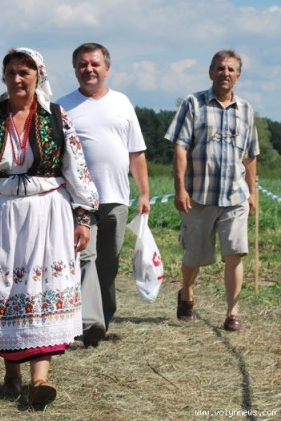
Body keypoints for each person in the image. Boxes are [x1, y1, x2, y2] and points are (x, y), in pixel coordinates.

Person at [0, 48, 99, 407]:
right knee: (5, 291)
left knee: (41, 290)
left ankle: (40, 379)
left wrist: (83, 217)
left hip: (47, 214)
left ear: (38, 77)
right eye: (11, 72)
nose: (17, 79)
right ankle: (11, 371)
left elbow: (76, 167)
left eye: (25, 72)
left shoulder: (55, 117)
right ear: (4, 77)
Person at [57, 43, 150, 346]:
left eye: (95, 64)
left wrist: (144, 193)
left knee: (108, 264)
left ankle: (103, 320)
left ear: (106, 68)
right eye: (82, 64)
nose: (89, 69)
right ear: (75, 70)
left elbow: (136, 152)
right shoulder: (61, 107)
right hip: (78, 200)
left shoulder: (122, 103)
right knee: (85, 257)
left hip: (116, 198)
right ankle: (88, 322)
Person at [165, 49, 258, 333]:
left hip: (234, 196)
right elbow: (180, 147)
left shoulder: (246, 110)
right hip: (199, 196)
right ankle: (186, 292)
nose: (225, 73)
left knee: (235, 254)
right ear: (210, 72)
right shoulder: (193, 103)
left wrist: (252, 192)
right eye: (220, 68)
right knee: (195, 257)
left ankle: (232, 314)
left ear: (238, 76)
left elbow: (250, 155)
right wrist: (180, 189)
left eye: (231, 69)